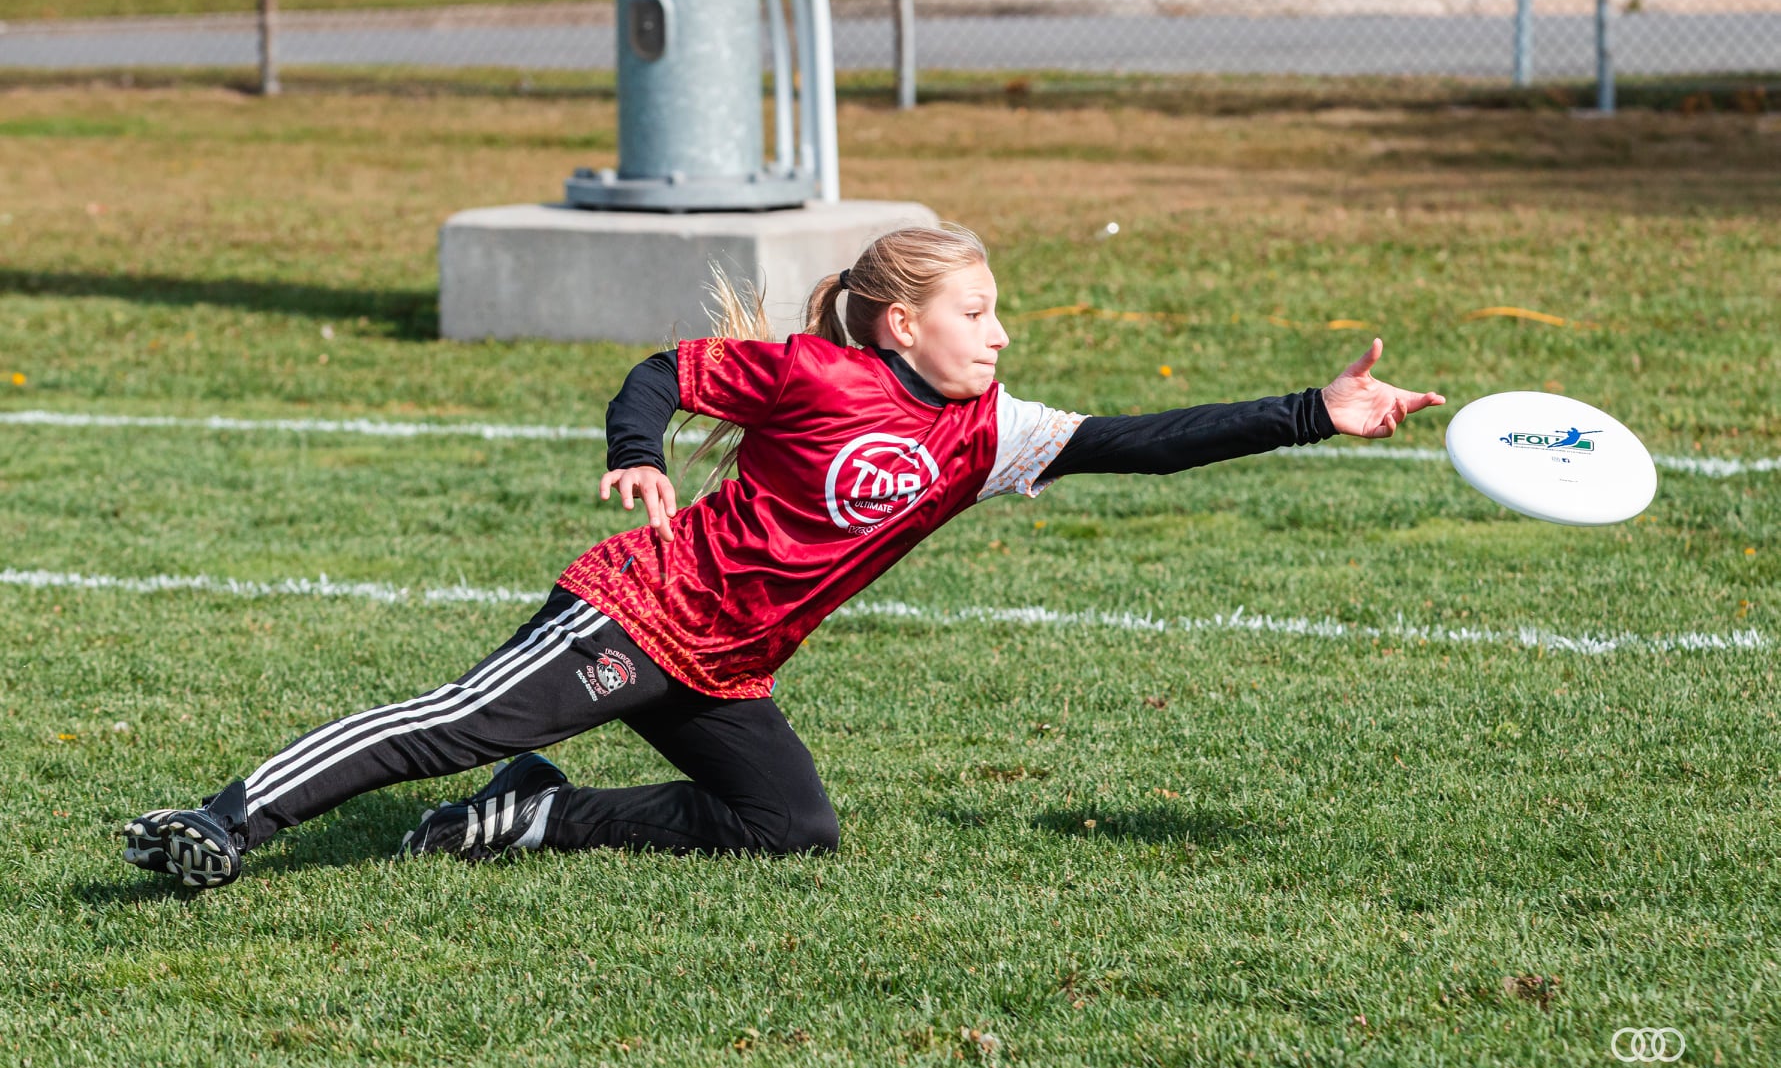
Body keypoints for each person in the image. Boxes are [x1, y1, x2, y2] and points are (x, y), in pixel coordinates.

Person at [122, 225, 1443, 889]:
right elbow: (661, 368)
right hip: (632, 614)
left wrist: (1307, 417)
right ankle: (220, 823)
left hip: (726, 666)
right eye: (975, 314)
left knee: (787, 829)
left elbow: (1138, 442)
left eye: (998, 312)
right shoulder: (812, 371)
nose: (999, 335)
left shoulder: (993, 433)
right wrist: (636, 445)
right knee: (455, 719)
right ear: (897, 321)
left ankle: (533, 812)